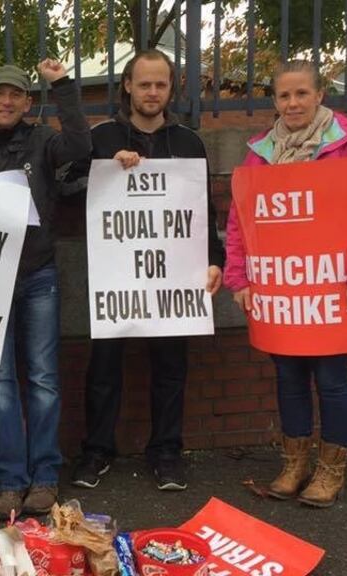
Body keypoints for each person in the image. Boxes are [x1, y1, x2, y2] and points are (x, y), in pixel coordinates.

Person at [223, 60, 347, 508]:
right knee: (288, 376)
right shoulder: (260, 151)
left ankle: (331, 469)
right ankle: (294, 463)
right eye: (284, 96)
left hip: (332, 286)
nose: (292, 103)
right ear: (275, 101)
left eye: (301, 94)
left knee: (333, 379)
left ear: (320, 96)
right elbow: (240, 219)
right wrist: (239, 277)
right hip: (280, 290)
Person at [70, 49, 225, 492]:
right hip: (116, 277)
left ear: (170, 88)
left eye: (160, 84)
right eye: (144, 84)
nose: (152, 92)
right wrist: (103, 173)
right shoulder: (103, 139)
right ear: (127, 86)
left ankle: (167, 452)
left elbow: (202, 213)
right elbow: (65, 188)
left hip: (172, 277)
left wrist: (215, 259)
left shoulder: (189, 142)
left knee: (171, 367)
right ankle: (96, 451)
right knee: (103, 368)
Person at [0, 60, 91, 520]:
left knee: (45, 379)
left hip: (38, 276)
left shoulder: (44, 142)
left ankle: (45, 478)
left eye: (16, 95)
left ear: (28, 102)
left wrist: (63, 86)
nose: (7, 102)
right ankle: (11, 482)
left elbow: (82, 147)